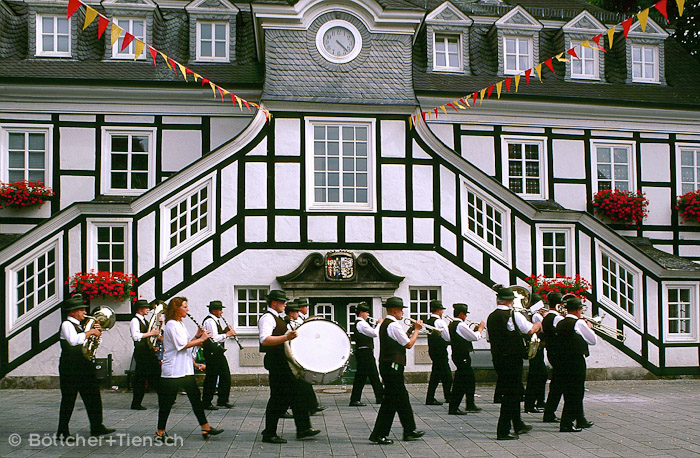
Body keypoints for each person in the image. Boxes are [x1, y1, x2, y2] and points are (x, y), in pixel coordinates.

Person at [156, 297, 223, 441]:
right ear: (177, 309)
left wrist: (198, 335)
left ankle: (205, 427)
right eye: (185, 307)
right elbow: (182, 346)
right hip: (173, 370)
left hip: (184, 369)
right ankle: (160, 432)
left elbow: (188, 342)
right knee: (166, 403)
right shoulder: (172, 325)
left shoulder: (180, 323)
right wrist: (203, 339)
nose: (188, 309)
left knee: (195, 398)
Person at [259, 290, 320, 444]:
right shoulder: (267, 318)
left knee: (298, 393)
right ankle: (269, 433)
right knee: (278, 398)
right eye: (282, 302)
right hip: (277, 363)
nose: (285, 305)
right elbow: (265, 340)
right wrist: (286, 337)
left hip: (284, 362)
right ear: (274, 303)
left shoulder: (279, 318)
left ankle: (303, 428)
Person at [487, 286, 542, 440]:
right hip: (512, 358)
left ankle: (518, 424)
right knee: (511, 394)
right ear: (510, 301)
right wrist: (537, 324)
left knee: (515, 390)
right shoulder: (513, 314)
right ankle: (503, 430)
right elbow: (529, 330)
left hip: (498, 358)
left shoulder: (491, 316)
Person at [56, 294, 115, 439]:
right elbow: (73, 341)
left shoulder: (82, 325)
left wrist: (97, 333)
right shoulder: (67, 324)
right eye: (81, 310)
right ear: (72, 312)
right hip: (70, 367)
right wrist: (90, 332)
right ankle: (62, 431)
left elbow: (92, 345)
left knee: (93, 397)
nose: (84, 312)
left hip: (84, 365)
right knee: (69, 399)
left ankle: (97, 427)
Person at [369, 296, 425, 445]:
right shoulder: (393, 325)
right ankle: (379, 434)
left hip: (391, 365)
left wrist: (411, 329)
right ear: (395, 310)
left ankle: (409, 430)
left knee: (402, 398)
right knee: (391, 400)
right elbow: (408, 344)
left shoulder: (389, 324)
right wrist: (417, 331)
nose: (403, 313)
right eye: (401, 310)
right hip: (392, 366)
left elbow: (400, 339)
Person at [557, 296, 596, 432]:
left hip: (563, 360)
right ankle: (567, 423)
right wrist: (589, 328)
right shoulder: (579, 323)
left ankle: (580, 419)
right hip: (575, 360)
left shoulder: (561, 322)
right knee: (577, 392)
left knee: (569, 391)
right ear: (578, 310)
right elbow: (593, 340)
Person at [284, 301, 322, 416]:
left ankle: (311, 406)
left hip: (300, 356)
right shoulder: (287, 325)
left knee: (304, 384)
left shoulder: (299, 322)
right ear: (291, 313)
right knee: (295, 386)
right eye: (296, 311)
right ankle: (309, 408)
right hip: (292, 358)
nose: (298, 312)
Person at [448, 303, 485, 415]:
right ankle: (454, 407)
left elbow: (466, 336)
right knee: (461, 382)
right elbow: (474, 337)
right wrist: (480, 329)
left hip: (459, 355)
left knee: (469, 380)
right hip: (462, 356)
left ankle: (470, 404)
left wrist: (474, 330)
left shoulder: (453, 324)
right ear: (461, 314)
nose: (466, 317)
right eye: (465, 314)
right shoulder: (460, 325)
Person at [201, 300, 236, 410]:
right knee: (212, 377)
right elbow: (213, 338)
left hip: (216, 352)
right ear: (214, 310)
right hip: (212, 353)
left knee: (223, 376)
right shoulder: (210, 321)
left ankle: (222, 400)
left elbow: (217, 334)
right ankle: (207, 402)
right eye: (220, 310)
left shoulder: (214, 321)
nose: (221, 312)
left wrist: (225, 331)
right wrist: (227, 334)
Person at [349, 301, 384, 406]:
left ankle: (380, 397)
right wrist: (379, 324)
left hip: (365, 352)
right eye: (366, 312)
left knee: (372, 375)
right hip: (364, 352)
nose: (368, 315)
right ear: (361, 313)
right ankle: (355, 399)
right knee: (363, 377)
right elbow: (374, 333)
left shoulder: (362, 323)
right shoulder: (361, 323)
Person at [130, 299, 161, 410]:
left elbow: (149, 336)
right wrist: (151, 333)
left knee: (153, 376)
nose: (148, 309)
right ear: (140, 309)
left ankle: (137, 403)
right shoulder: (135, 320)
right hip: (141, 353)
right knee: (142, 379)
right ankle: (136, 403)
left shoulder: (144, 321)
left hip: (147, 351)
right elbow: (136, 336)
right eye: (146, 307)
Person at [425, 300, 452, 406]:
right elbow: (447, 337)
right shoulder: (440, 322)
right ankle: (438, 397)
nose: (442, 312)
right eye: (441, 310)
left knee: (439, 375)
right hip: (440, 351)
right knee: (446, 376)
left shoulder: (428, 321)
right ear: (438, 310)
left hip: (433, 350)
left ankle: (441, 396)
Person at [524, 294, 548, 413]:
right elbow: (543, 329)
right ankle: (533, 402)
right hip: (536, 346)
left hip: (538, 347)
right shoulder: (536, 316)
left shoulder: (534, 314)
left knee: (539, 375)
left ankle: (538, 401)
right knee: (538, 375)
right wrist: (545, 317)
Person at [542, 292, 564, 423]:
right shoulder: (557, 318)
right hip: (559, 353)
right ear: (558, 305)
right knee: (559, 385)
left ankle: (549, 412)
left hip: (551, 351)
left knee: (557, 383)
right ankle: (549, 412)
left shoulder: (547, 317)